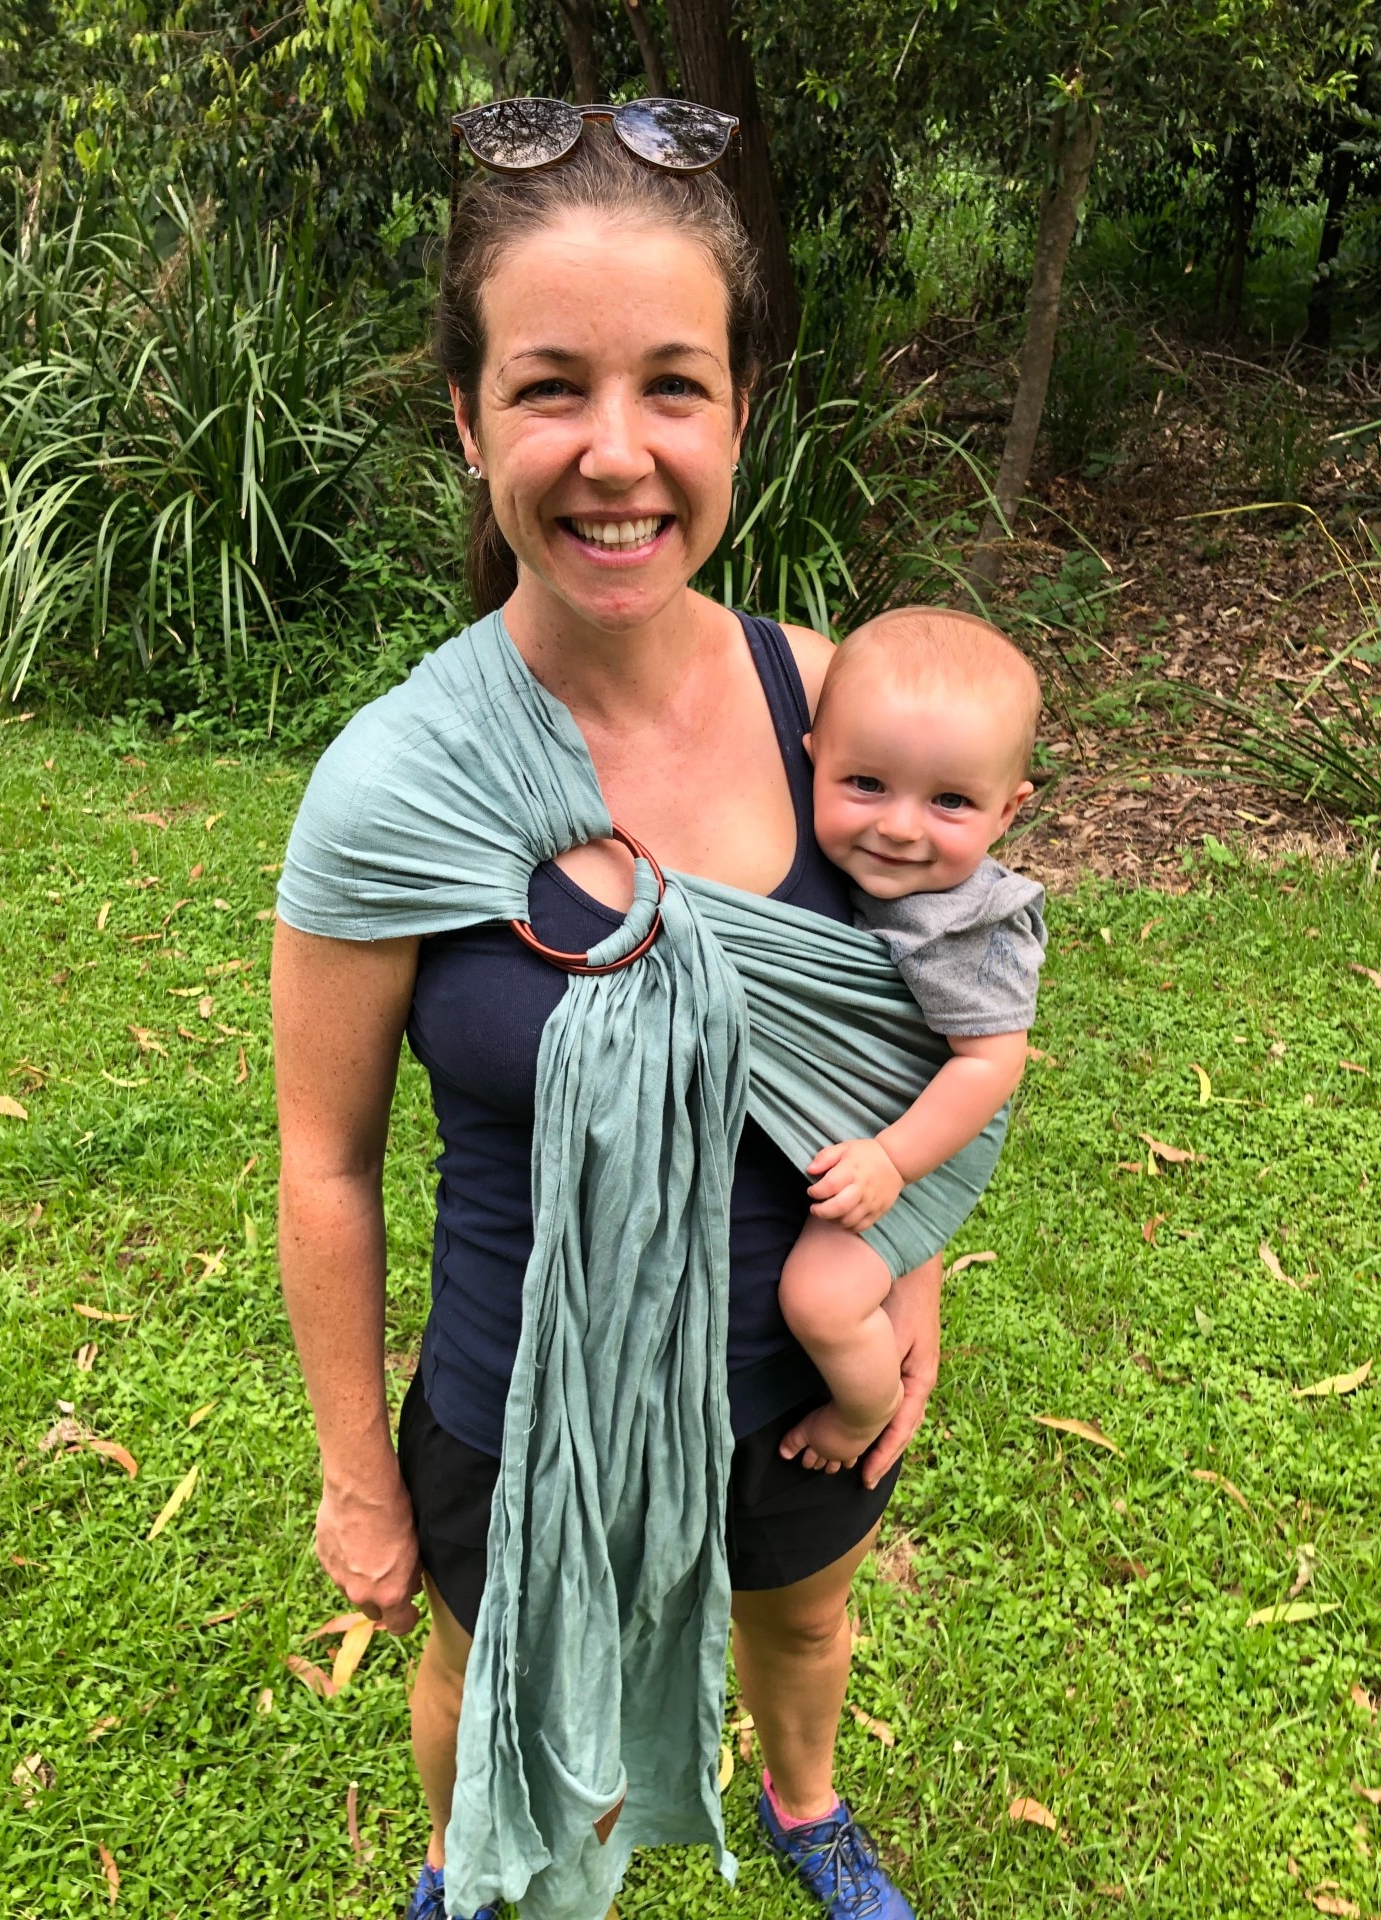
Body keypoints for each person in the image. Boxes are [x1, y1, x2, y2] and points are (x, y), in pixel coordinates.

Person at [273, 106, 978, 1920]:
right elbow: (326, 1162)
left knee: (804, 1612)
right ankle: (460, 1858)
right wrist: (360, 1483)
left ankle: (806, 1806)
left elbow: (924, 1032)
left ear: (740, 411)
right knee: (479, 1672)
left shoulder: (838, 713)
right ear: (467, 420)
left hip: (793, 1392)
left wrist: (906, 1287)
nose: (615, 453)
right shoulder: (393, 790)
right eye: (546, 388)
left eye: (674, 384)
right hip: (523, 1410)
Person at [775, 609, 1047, 1474]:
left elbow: (993, 1062)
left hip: (931, 1130)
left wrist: (893, 1161)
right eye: (866, 784)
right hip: (887, 1113)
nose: (899, 826)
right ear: (810, 757)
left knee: (820, 1297)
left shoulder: (967, 925)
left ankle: (864, 1410)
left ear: (1009, 811)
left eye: (951, 802)